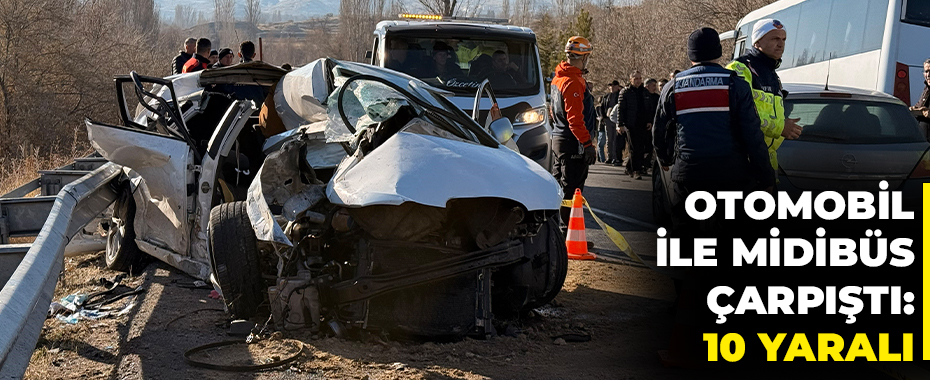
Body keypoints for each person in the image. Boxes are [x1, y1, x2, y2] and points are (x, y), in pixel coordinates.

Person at [653, 27, 774, 234]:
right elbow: (752, 135)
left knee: (685, 235)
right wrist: (765, 176)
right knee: (732, 235)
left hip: (689, 172)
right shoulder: (735, 83)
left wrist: (664, 157)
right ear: (718, 52)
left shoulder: (674, 86)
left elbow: (659, 129)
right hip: (730, 173)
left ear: (691, 54)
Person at [726, 19, 803, 178]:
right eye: (775, 39)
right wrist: (780, 127)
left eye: (784, 39)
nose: (781, 44)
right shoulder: (740, 68)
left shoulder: (771, 73)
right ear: (757, 42)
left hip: (765, 161)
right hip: (743, 162)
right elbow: (739, 114)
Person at [550, 36, 596, 227]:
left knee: (559, 187)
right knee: (572, 190)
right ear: (583, 57)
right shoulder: (573, 81)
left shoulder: (558, 78)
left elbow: (553, 111)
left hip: (558, 138)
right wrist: (587, 144)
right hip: (572, 143)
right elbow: (575, 120)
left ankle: (557, 231)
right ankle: (567, 233)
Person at [612, 70, 650, 179]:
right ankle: (636, 170)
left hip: (642, 123)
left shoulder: (644, 92)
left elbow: (648, 108)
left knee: (642, 147)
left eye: (639, 78)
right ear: (631, 80)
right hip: (630, 124)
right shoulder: (625, 92)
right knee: (634, 148)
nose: (638, 81)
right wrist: (620, 124)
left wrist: (649, 121)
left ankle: (629, 167)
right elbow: (621, 109)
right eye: (636, 78)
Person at [597, 80, 621, 164]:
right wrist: (603, 117)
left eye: (614, 85)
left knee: (616, 139)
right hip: (608, 120)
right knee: (609, 139)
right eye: (611, 86)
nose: (612, 87)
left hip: (617, 120)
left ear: (618, 86)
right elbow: (602, 107)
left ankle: (616, 157)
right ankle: (609, 157)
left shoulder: (620, 95)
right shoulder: (606, 96)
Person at [910, 58, 930, 136]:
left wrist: (927, 112)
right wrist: (914, 109)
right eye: (926, 71)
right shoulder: (926, 89)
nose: (928, 75)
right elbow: (920, 105)